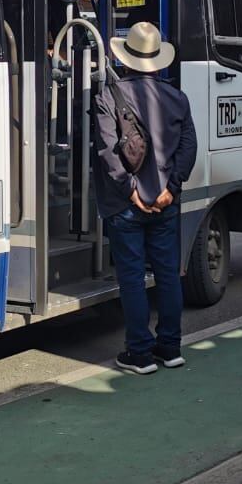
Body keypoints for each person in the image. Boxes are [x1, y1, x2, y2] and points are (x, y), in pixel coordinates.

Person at [92, 21, 198, 374]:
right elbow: (188, 147)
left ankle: (139, 353)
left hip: (125, 204)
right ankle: (170, 348)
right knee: (168, 274)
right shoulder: (176, 97)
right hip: (165, 201)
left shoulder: (109, 96)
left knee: (132, 278)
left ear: (126, 59)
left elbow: (108, 152)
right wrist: (172, 188)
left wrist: (130, 191)